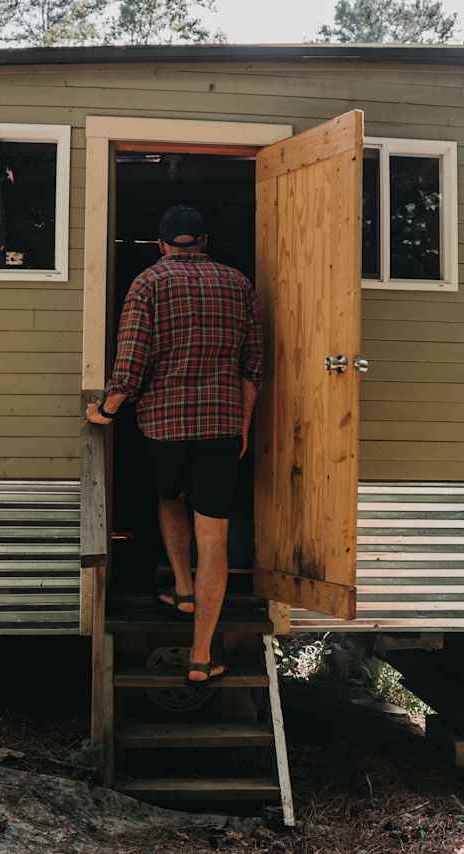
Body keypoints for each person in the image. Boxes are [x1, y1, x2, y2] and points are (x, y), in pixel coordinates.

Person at [85, 205, 262, 686]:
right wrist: (243, 425)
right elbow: (252, 366)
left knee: (169, 499)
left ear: (162, 244)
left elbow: (131, 364)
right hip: (223, 426)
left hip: (164, 427)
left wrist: (106, 409)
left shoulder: (147, 284)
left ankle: (184, 588)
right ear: (203, 241)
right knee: (215, 535)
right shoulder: (238, 284)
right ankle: (202, 656)